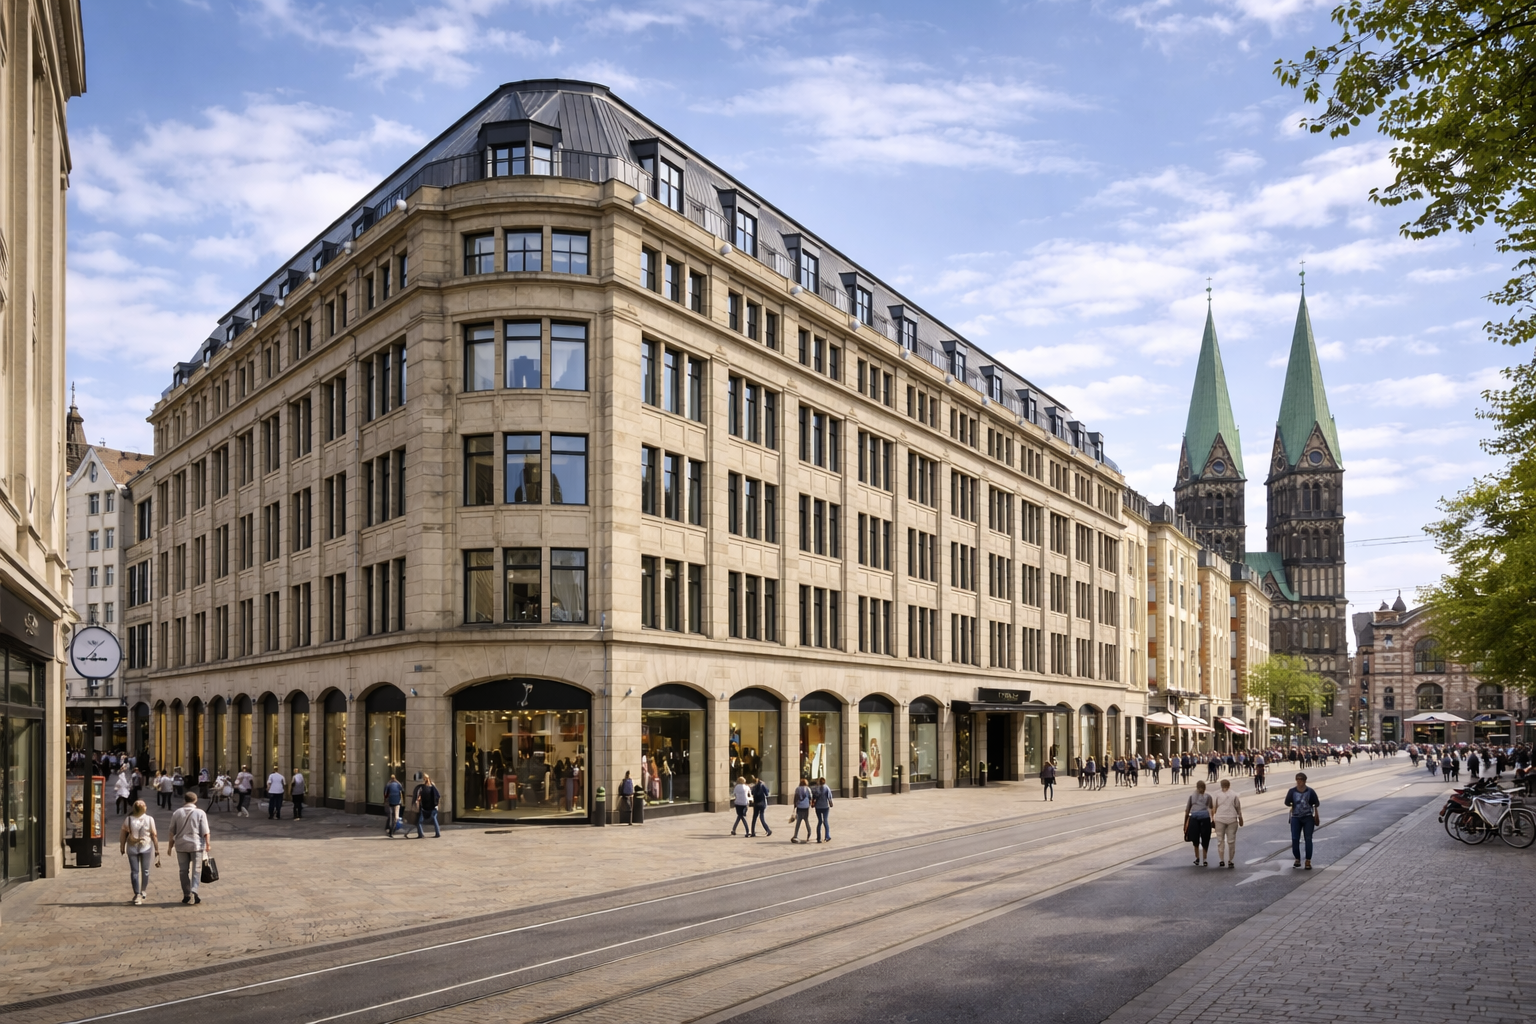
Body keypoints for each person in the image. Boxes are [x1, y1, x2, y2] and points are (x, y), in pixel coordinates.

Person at [167, 791, 211, 905]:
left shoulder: (177, 813)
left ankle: (186, 894)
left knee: (183, 871)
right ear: (195, 800)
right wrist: (208, 844)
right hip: (196, 845)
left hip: (181, 845)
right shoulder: (200, 813)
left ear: (184, 800)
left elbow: (172, 831)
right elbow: (205, 831)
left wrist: (170, 846)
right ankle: (194, 891)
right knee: (196, 869)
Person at [119, 799, 158, 905]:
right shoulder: (133, 819)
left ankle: (140, 892)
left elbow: (153, 834)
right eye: (144, 806)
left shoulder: (144, 819)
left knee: (139, 871)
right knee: (140, 871)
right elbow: (154, 835)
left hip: (139, 846)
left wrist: (122, 846)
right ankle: (139, 892)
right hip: (139, 847)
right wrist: (157, 849)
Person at [1284, 772, 1321, 869]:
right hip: (1295, 817)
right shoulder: (1292, 791)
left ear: (1304, 781)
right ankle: (1297, 858)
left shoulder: (1310, 791)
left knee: (1308, 838)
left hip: (1308, 817)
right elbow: (1287, 802)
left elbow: (1316, 802)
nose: (1299, 782)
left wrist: (1313, 808)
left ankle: (1308, 860)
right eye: (1297, 780)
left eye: (1301, 780)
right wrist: (1292, 804)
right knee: (1295, 838)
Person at [1211, 778, 1245, 868]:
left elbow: (1213, 807)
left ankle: (1221, 860)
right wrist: (1240, 819)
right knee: (1231, 841)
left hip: (1219, 819)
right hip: (1232, 819)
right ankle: (1230, 860)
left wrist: (1212, 818)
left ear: (1221, 785)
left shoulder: (1216, 794)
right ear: (1229, 785)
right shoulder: (1234, 794)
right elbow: (1238, 808)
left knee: (1220, 840)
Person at [1183, 780, 1214, 867]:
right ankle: (1204, 859)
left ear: (1196, 787)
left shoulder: (1191, 796)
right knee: (1205, 838)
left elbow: (1187, 811)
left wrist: (1185, 823)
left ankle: (1197, 858)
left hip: (1194, 818)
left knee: (1195, 838)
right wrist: (1213, 819)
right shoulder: (1208, 796)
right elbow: (1211, 808)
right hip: (1205, 818)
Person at [791, 777, 813, 843]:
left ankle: (795, 835)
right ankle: (809, 833)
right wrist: (810, 803)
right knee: (806, 821)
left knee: (798, 822)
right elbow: (810, 797)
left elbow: (795, 798)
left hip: (799, 807)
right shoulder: (808, 789)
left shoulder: (797, 789)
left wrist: (795, 806)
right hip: (806, 807)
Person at [813, 776, 834, 843]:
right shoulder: (827, 788)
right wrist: (831, 803)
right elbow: (829, 797)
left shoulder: (817, 788)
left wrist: (813, 803)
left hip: (818, 807)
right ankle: (827, 836)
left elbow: (814, 797)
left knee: (819, 822)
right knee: (825, 821)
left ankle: (818, 838)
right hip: (825, 806)